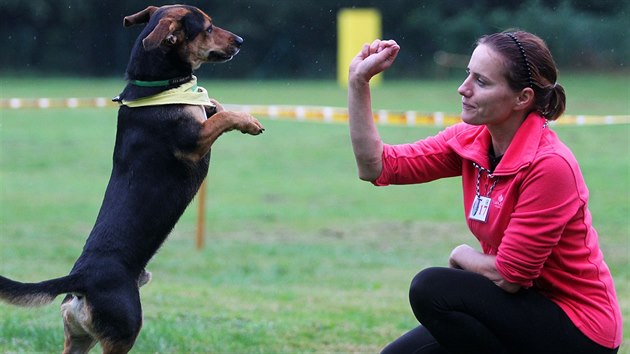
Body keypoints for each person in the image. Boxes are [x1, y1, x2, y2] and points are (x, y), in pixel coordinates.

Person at [347, 30, 622, 354]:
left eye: (482, 82)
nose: (463, 89)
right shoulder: (471, 139)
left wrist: (461, 254)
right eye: (468, 75)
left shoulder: (550, 165)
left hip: (579, 331)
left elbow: (509, 276)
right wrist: (358, 84)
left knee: (432, 288)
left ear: (523, 98)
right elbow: (377, 167)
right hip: (515, 306)